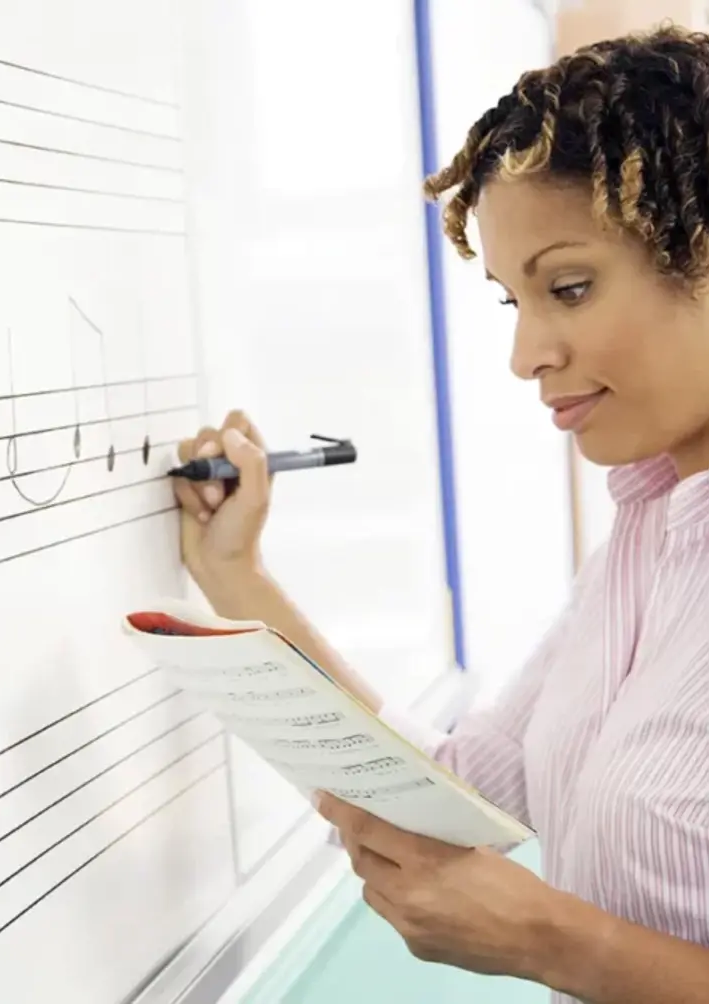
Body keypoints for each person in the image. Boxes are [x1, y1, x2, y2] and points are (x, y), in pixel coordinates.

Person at [171, 24, 710, 1004]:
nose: (526, 354)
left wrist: (554, 938)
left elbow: (546, 921)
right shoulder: (643, 539)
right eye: (513, 302)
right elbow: (452, 794)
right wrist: (235, 576)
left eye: (569, 287)